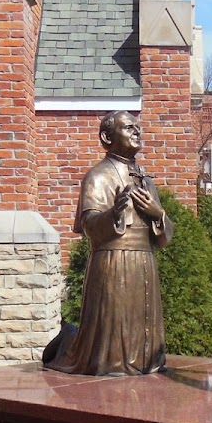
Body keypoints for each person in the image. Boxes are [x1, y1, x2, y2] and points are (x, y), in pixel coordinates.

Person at [43, 111, 173, 376]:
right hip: (114, 261)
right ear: (107, 137)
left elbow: (163, 238)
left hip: (144, 261)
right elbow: (89, 225)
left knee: (143, 319)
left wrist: (157, 213)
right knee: (114, 328)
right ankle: (73, 343)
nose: (137, 131)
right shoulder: (98, 176)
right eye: (128, 128)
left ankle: (147, 361)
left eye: (138, 127)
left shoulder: (146, 181)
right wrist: (113, 213)